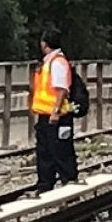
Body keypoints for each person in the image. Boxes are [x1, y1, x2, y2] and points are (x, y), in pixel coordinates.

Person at [31, 28, 78, 192]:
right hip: (46, 114)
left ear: (44, 44)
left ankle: (69, 184)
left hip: (56, 116)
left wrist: (55, 111)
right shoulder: (49, 62)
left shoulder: (56, 62)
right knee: (45, 152)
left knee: (60, 151)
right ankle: (45, 185)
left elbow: (61, 89)